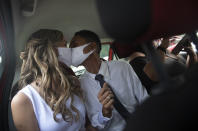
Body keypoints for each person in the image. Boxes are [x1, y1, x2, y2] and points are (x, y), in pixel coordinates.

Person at [70, 30, 148, 131]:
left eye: (74, 46)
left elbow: (144, 98)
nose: (70, 51)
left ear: (92, 47)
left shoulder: (122, 67)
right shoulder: (81, 86)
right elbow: (94, 123)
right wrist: (104, 114)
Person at [11, 29, 86, 131]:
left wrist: (103, 115)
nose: (69, 50)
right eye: (65, 44)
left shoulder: (73, 83)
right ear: (51, 50)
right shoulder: (22, 101)